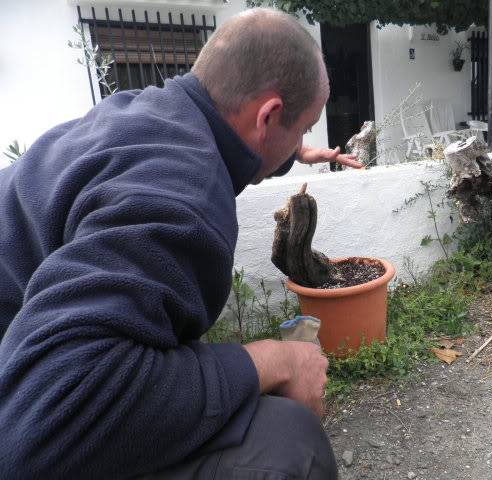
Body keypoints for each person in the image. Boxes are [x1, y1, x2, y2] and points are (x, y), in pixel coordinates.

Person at [0, 8, 360, 479]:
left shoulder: (147, 112)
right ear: (269, 116)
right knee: (288, 441)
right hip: (25, 420)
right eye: (304, 127)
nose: (302, 140)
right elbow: (39, 422)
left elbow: (255, 135)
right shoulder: (185, 195)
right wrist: (273, 359)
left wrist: (293, 151)